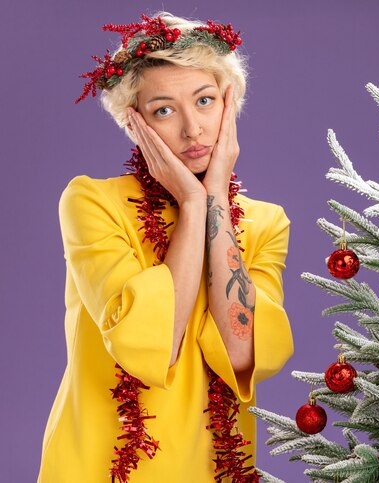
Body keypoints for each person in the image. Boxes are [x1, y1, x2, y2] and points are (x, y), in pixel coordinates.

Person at [37, 12, 294, 482]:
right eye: (164, 109)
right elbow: (153, 346)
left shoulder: (265, 222)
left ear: (229, 105)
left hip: (214, 466)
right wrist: (194, 204)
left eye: (205, 101)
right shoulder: (92, 202)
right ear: (134, 123)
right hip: (100, 463)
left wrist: (212, 198)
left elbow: (243, 354)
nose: (193, 129)